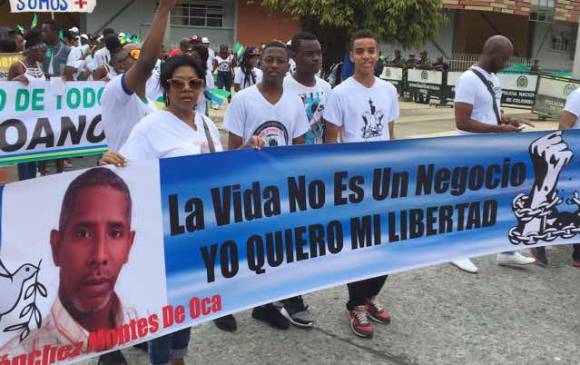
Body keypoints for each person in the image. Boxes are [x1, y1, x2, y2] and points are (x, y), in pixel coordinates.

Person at [100, 54, 263, 365]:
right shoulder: (150, 126)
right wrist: (106, 163)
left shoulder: (205, 123)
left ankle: (179, 357)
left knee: (188, 297)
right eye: (178, 83)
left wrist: (246, 150)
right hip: (163, 234)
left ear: (202, 86)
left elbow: (218, 168)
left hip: (199, 229)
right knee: (165, 303)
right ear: (166, 87)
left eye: (194, 83)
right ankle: (160, 359)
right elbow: (123, 172)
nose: (187, 89)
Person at [218, 41, 309, 332]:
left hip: (279, 191)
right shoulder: (243, 99)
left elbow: (298, 149)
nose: (273, 65)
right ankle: (225, 306)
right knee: (238, 251)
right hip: (246, 188)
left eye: (279, 60)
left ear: (287, 64)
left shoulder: (295, 102)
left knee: (272, 251)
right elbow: (232, 150)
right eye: (268, 59)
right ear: (260, 63)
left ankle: (264, 306)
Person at [0, 168, 136, 356]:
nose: (99, 255)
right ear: (56, 246)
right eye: (83, 234)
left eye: (115, 234)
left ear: (129, 245)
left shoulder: (149, 319)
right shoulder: (15, 354)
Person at [323, 29, 397, 339]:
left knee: (389, 244)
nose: (366, 56)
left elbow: (391, 135)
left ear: (378, 54)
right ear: (351, 56)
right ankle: (356, 304)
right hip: (354, 184)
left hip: (383, 181)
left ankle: (368, 297)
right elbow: (331, 142)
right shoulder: (340, 93)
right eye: (360, 51)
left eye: (371, 50)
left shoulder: (389, 91)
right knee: (359, 245)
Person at [453, 35, 536, 273]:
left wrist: (508, 120)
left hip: (493, 150)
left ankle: (507, 251)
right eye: (504, 58)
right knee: (469, 203)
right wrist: (499, 129)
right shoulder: (469, 79)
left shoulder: (491, 78)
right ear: (491, 54)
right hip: (472, 151)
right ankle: (457, 252)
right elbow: (462, 122)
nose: (507, 63)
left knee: (506, 199)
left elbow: (488, 114)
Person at [100, 0, 174, 152]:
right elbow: (145, 63)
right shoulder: (114, 91)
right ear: (120, 65)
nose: (139, 57)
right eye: (134, 54)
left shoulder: (151, 105)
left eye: (140, 53)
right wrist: (164, 9)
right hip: (124, 173)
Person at [536, 87, 580, 268]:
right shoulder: (578, 95)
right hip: (574, 157)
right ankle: (537, 243)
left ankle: (578, 251)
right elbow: (564, 126)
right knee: (557, 201)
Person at [8, 30, 46, 181]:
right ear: (34, 50)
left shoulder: (38, 67)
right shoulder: (18, 66)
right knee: (23, 161)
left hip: (36, 121)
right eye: (43, 51)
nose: (45, 55)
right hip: (20, 122)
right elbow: (4, 93)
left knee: (33, 158)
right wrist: (15, 80)